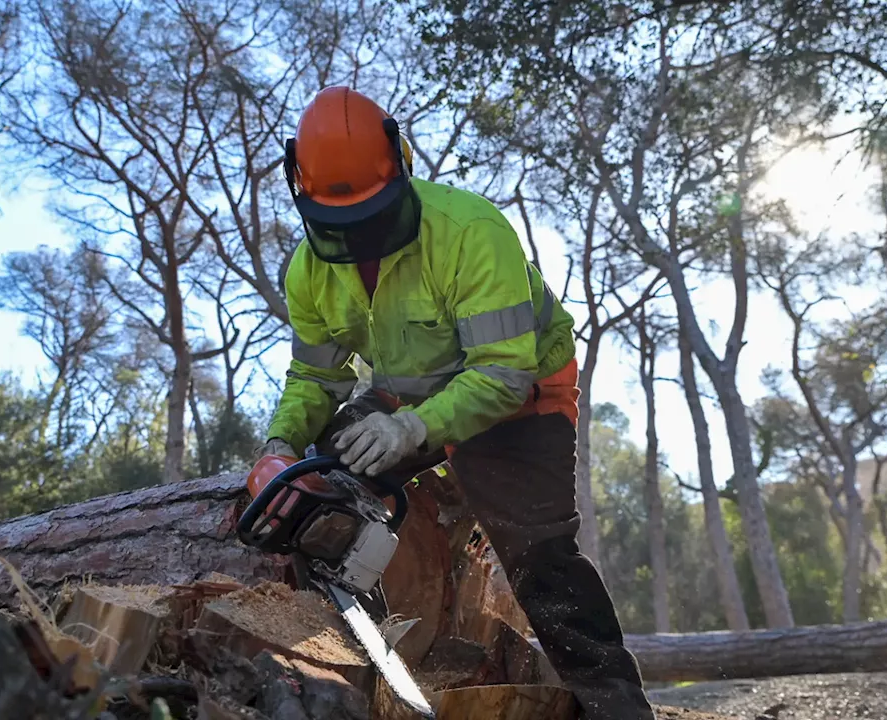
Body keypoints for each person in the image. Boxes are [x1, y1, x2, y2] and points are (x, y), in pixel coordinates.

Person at [257, 85, 656, 720]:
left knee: (536, 551)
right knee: (323, 490)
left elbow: (502, 375)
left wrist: (414, 427)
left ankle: (617, 708)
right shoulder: (307, 272)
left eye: (373, 217)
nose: (361, 239)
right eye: (343, 226)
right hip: (407, 395)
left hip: (520, 393)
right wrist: (280, 447)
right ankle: (379, 659)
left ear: (401, 170)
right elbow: (315, 378)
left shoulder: (470, 231)